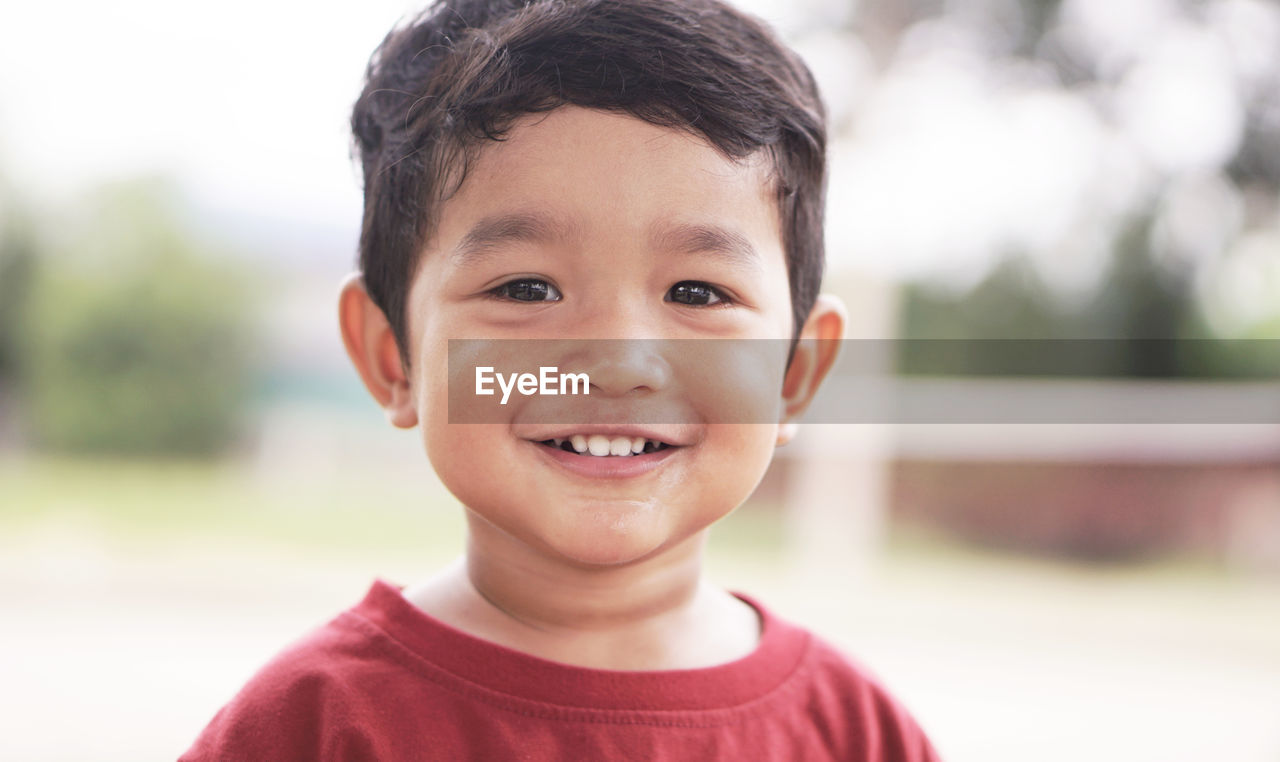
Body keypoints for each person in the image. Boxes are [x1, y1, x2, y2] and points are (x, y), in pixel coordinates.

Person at [181, 0, 940, 758]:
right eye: (526, 289)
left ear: (795, 372)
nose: (617, 364)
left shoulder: (857, 734)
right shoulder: (311, 726)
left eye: (697, 293)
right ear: (393, 357)